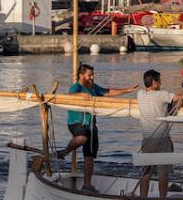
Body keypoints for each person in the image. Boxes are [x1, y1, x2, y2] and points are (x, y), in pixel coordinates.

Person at [58, 63, 136, 192]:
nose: (92, 77)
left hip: (91, 126)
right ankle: (65, 151)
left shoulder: (93, 87)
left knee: (90, 156)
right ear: (81, 75)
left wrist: (126, 90)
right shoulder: (76, 87)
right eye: (89, 75)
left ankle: (87, 185)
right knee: (81, 138)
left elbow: (107, 92)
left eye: (93, 75)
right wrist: (81, 96)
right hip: (76, 122)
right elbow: (69, 97)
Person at [136, 69, 183, 199]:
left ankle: (143, 197)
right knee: (163, 173)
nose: (161, 83)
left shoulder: (140, 94)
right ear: (154, 82)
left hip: (147, 140)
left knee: (146, 172)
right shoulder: (161, 95)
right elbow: (179, 98)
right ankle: (162, 199)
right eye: (159, 80)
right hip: (162, 140)